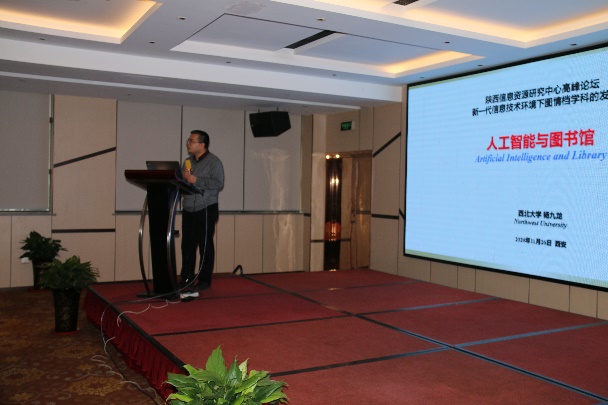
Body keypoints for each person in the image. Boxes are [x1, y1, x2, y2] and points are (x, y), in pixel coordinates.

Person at [180, 130, 224, 290]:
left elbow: (218, 183)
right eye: (188, 140)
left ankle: (204, 279)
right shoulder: (187, 162)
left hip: (206, 207)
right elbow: (182, 183)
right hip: (188, 208)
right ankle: (186, 277)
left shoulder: (214, 162)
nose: (188, 143)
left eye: (191, 141)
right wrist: (182, 181)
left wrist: (196, 180)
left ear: (202, 144)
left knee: (204, 245)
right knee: (187, 245)